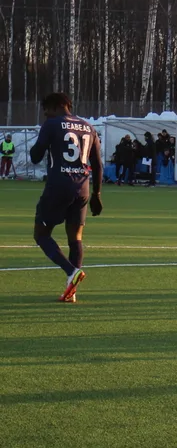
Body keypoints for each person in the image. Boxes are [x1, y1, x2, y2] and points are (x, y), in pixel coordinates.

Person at [30, 92, 103, 303]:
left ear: (57, 106)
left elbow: (35, 156)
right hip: (83, 188)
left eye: (46, 111)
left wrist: (43, 140)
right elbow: (97, 164)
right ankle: (72, 289)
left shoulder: (52, 124)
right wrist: (97, 194)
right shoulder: (88, 127)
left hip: (59, 185)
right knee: (75, 238)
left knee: (41, 234)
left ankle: (71, 271)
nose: (46, 115)